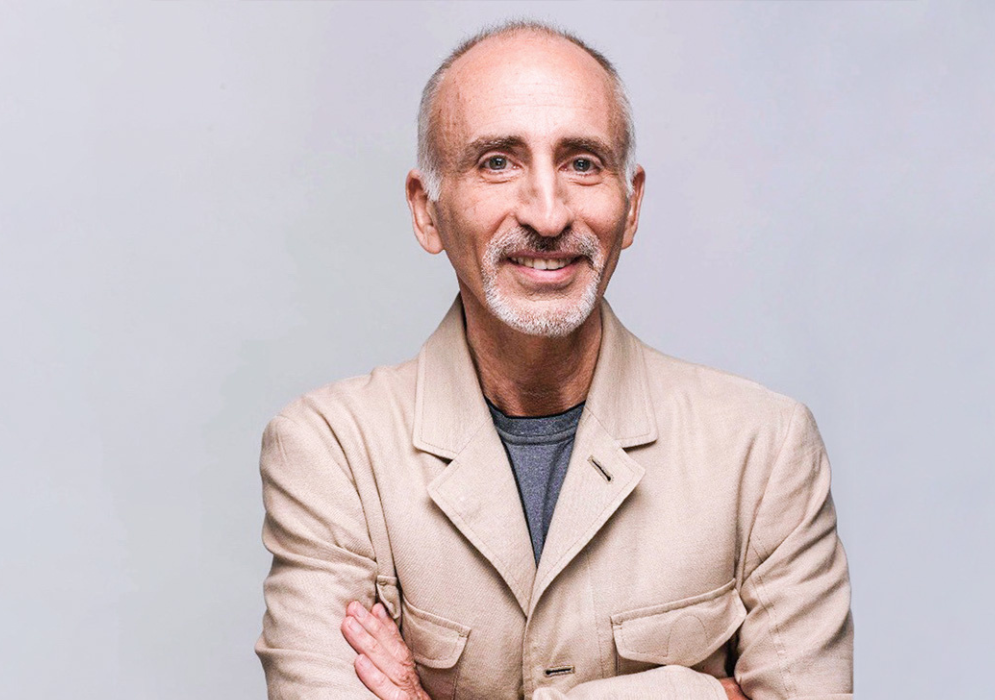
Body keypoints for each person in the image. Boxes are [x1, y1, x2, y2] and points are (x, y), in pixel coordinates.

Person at [255, 20, 853, 700]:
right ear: (427, 211)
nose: (546, 213)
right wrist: (705, 693)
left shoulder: (765, 450)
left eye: (582, 163)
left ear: (631, 209)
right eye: (498, 162)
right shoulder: (331, 451)